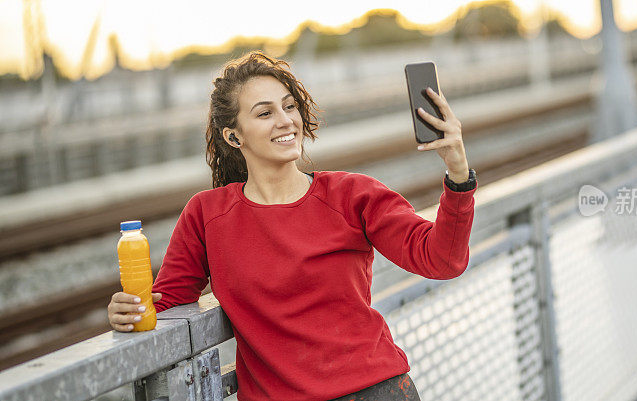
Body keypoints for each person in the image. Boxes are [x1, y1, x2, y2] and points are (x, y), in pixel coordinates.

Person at [107, 51, 477, 401]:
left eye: (289, 106)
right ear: (234, 137)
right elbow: (166, 305)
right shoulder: (206, 215)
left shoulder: (352, 195)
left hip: (375, 390)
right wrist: (128, 312)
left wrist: (458, 174)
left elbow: (442, 261)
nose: (286, 120)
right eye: (264, 113)